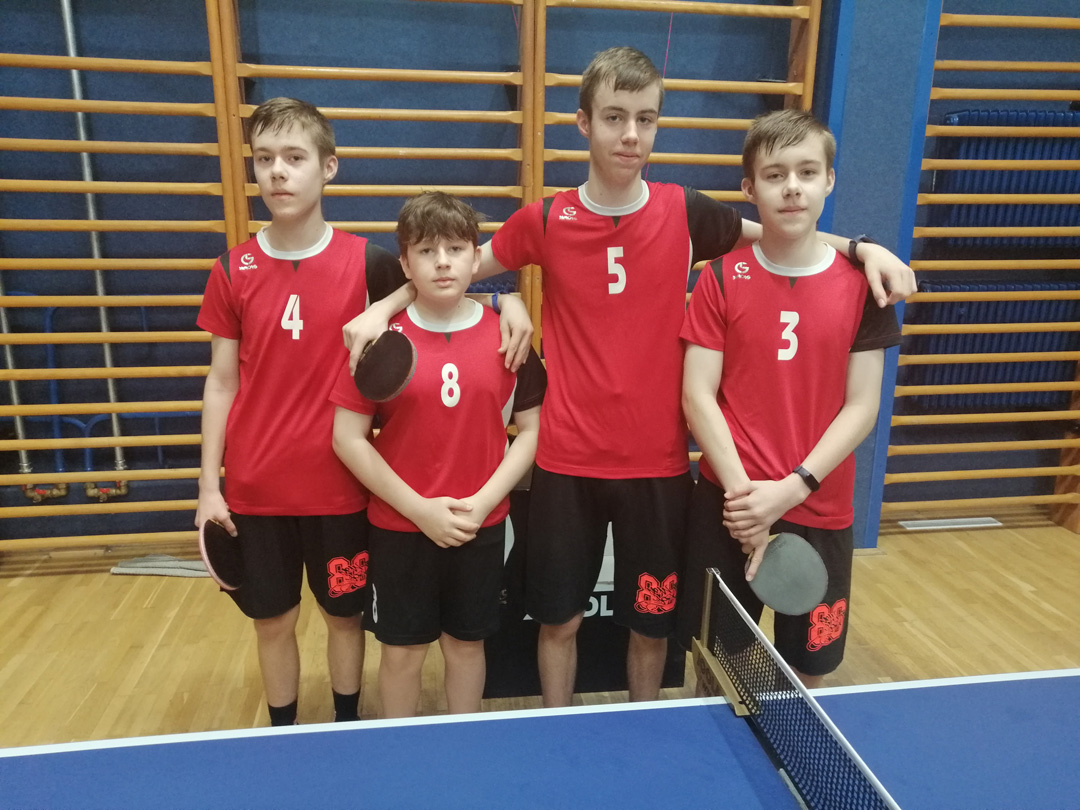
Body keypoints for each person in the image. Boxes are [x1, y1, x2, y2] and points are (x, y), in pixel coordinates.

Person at [344, 47, 915, 707]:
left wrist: (863, 247)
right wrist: (423, 305)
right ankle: (558, 724)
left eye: (646, 119)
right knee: (559, 622)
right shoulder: (546, 219)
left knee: (651, 627)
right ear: (584, 123)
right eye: (615, 117)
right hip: (567, 463)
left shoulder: (686, 212)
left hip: (658, 466)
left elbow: (780, 232)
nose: (631, 135)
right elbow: (457, 269)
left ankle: (647, 727)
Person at [195, 99, 531, 727]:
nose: (278, 171)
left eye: (294, 157)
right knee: (274, 622)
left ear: (328, 168)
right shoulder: (232, 269)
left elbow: (438, 281)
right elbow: (221, 382)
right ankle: (285, 734)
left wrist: (505, 300)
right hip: (256, 485)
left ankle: (349, 727)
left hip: (342, 489)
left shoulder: (368, 262)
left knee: (344, 618)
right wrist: (208, 486)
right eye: (264, 159)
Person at [678, 109, 902, 687]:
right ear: (750, 189)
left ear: (830, 180)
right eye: (775, 175)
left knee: (808, 669)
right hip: (730, 505)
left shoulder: (864, 289)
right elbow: (697, 395)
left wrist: (794, 487)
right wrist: (745, 502)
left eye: (807, 172)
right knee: (716, 661)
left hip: (819, 506)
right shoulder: (719, 278)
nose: (793, 187)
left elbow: (863, 406)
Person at [330, 192, 546, 718]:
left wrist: (483, 502)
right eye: (426, 251)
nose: (443, 262)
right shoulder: (378, 341)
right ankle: (400, 750)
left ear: (476, 257)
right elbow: (347, 438)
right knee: (402, 652)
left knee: (466, 646)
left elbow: (532, 431)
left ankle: (463, 747)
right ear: (405, 264)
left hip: (479, 525)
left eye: (455, 248)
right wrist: (420, 510)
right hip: (400, 527)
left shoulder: (510, 337)